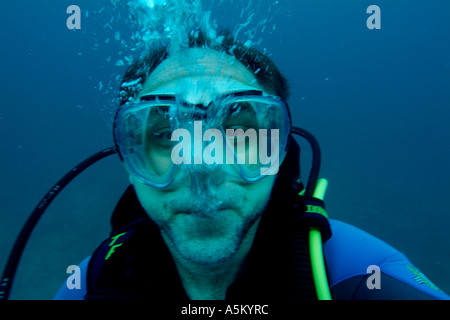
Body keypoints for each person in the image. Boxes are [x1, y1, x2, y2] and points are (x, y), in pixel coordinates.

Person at [54, 31, 449, 300]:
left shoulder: (360, 274)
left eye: (239, 128)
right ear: (130, 157)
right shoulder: (90, 284)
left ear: (279, 150)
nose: (201, 168)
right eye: (166, 135)